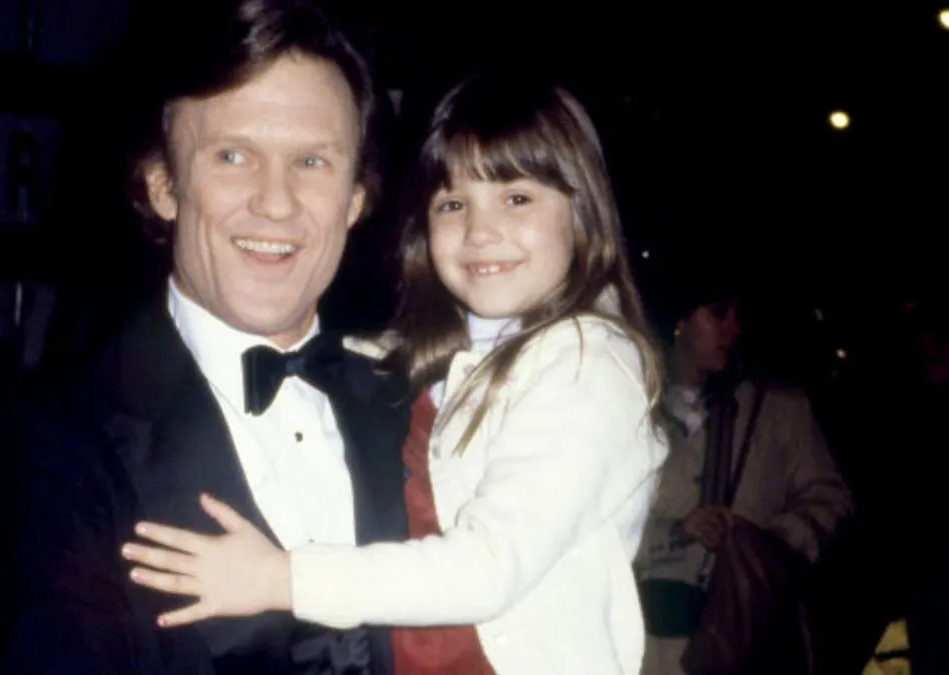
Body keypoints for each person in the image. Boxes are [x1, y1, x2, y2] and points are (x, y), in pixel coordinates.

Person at [121, 74, 669, 675]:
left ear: (582, 210)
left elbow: (488, 568)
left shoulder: (589, 361)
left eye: (517, 197)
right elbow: (373, 350)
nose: (480, 231)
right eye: (452, 204)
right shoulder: (466, 347)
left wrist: (281, 578)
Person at [0, 1, 411, 673]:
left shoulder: (413, 409)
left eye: (313, 162)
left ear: (355, 198)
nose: (276, 201)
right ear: (163, 186)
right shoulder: (48, 450)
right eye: (233, 155)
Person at [635, 279, 853, 675]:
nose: (732, 329)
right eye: (718, 313)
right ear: (681, 319)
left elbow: (831, 499)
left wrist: (765, 539)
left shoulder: (780, 411)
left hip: (742, 641)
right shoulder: (633, 410)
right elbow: (599, 520)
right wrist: (677, 530)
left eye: (738, 316)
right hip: (644, 646)